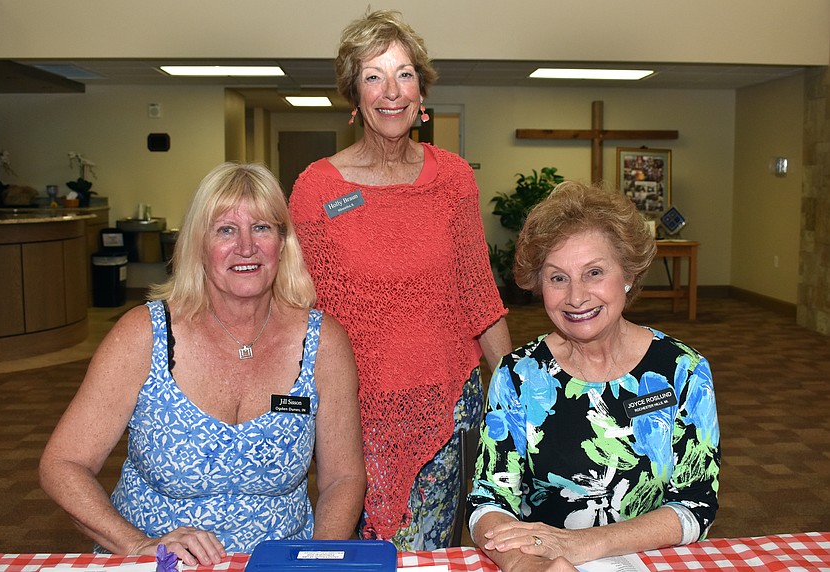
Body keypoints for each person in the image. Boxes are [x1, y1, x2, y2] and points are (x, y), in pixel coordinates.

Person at [39, 163, 366, 566]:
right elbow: (62, 464)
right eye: (225, 230)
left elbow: (343, 478)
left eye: (262, 227)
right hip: (158, 560)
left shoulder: (324, 342)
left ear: (284, 242)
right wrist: (139, 544)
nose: (246, 247)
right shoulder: (143, 335)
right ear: (197, 244)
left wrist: (315, 557)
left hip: (280, 559)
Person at [289, 9, 512, 550]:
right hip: (354, 413)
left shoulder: (454, 177)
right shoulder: (317, 189)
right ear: (354, 95)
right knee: (360, 551)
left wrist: (516, 395)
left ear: (421, 92)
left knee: (431, 552)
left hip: (449, 403)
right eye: (373, 75)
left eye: (404, 74)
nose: (391, 91)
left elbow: (479, 294)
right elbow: (298, 311)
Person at [467, 181, 720, 571]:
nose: (576, 297)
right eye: (557, 278)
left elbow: (696, 505)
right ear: (539, 286)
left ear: (628, 275)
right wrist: (527, 566)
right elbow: (488, 502)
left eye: (594, 272)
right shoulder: (518, 375)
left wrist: (578, 544)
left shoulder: (682, 371)